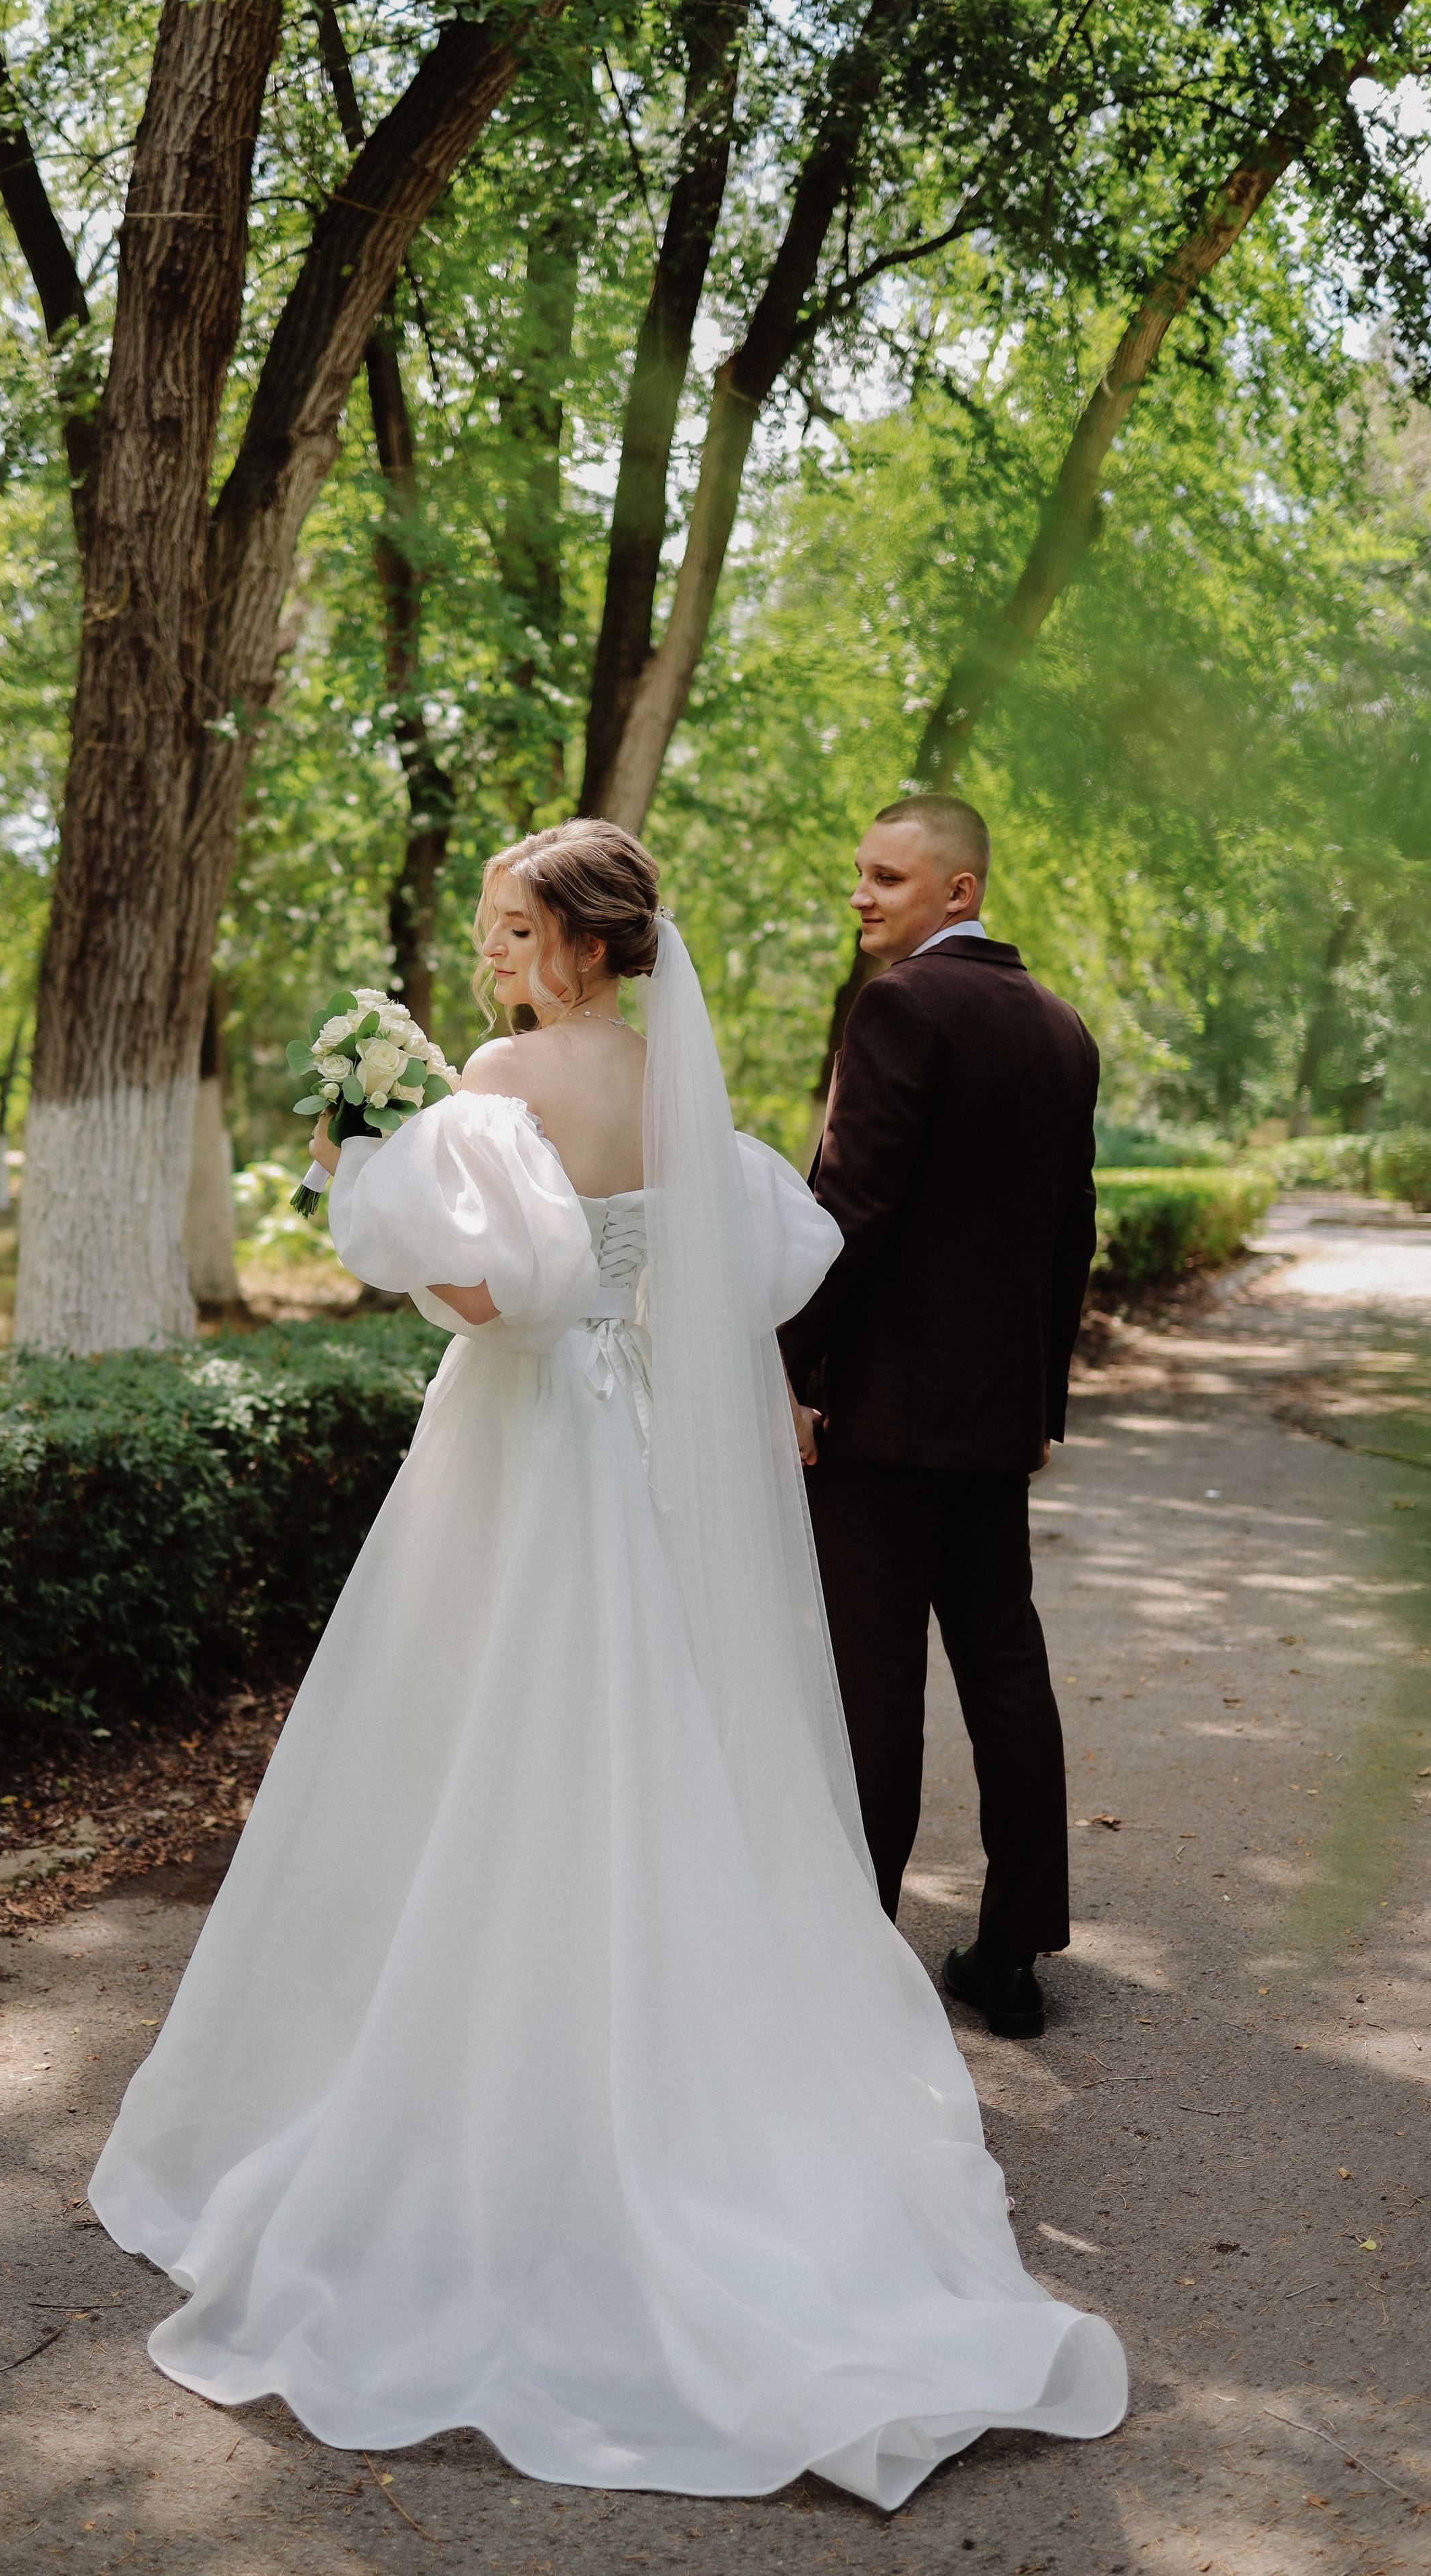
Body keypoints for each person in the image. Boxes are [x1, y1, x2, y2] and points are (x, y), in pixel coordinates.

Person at [90, 818, 1125, 2508]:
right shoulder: (673, 1082)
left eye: (509, 926)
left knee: (470, 1737)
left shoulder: (505, 1073)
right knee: (633, 1740)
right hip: (633, 1449)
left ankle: (474, 2086)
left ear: (575, 938)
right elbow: (742, 1264)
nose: (491, 954)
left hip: (517, 1447)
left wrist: (366, 1160)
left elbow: (493, 1301)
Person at [778, 795, 1100, 2043]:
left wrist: (793, 1370)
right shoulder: (1060, 1029)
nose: (863, 894)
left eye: (889, 876)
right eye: (859, 872)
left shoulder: (905, 1006)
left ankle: (858, 1945)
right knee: (1005, 1663)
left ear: (958, 892)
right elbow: (1071, 1235)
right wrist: (1041, 1402)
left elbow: (851, 1208)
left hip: (882, 1419)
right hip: (991, 1420)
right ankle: (1013, 1951)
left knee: (874, 1679)